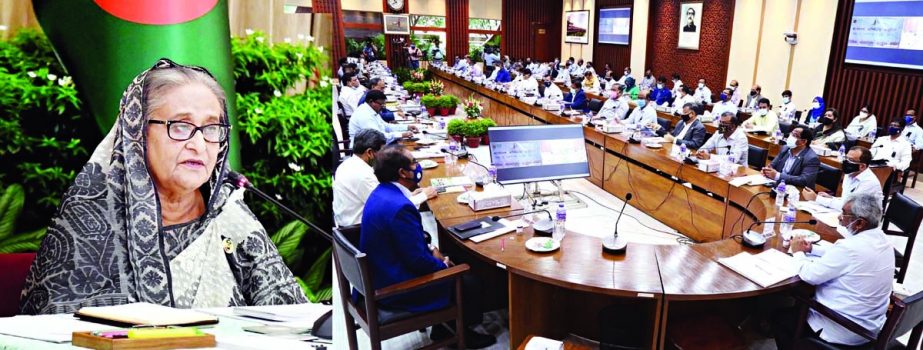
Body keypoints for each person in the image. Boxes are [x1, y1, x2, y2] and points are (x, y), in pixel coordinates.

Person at [20, 59, 307, 314]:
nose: (199, 145)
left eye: (211, 129)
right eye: (180, 126)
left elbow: (294, 317)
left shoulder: (230, 217)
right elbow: (55, 334)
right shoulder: (89, 225)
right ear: (138, 133)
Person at [361, 145, 497, 348]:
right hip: (393, 288)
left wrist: (433, 249)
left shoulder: (382, 193)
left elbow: (408, 242)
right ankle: (463, 336)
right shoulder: (400, 207)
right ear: (403, 172)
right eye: (414, 163)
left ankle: (442, 328)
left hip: (380, 273)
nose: (418, 167)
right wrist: (444, 265)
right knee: (468, 279)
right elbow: (417, 262)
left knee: (451, 258)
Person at [775, 193, 893, 349]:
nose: (839, 217)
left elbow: (809, 275)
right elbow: (845, 257)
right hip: (868, 329)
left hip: (841, 328)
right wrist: (812, 249)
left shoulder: (850, 248)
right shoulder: (883, 240)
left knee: (779, 318)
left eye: (844, 213)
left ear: (859, 223)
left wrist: (798, 252)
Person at [333, 130, 435, 227]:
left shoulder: (348, 164)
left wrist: (410, 195)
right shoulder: (363, 175)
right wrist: (424, 196)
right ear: (369, 153)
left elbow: (386, 200)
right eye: (382, 152)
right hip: (359, 229)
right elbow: (390, 207)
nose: (384, 157)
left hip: (355, 220)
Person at [802, 146, 883, 210]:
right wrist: (833, 199)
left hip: (863, 222)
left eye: (850, 160)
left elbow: (849, 207)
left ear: (862, 166)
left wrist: (816, 198)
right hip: (848, 214)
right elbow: (847, 199)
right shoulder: (850, 174)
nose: (846, 162)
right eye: (846, 158)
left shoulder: (869, 183)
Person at [349, 90, 417, 147]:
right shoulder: (364, 115)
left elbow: (386, 126)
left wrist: (406, 127)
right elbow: (379, 137)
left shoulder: (371, 110)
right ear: (371, 101)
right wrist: (401, 134)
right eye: (381, 104)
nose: (382, 107)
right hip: (363, 151)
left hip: (372, 145)